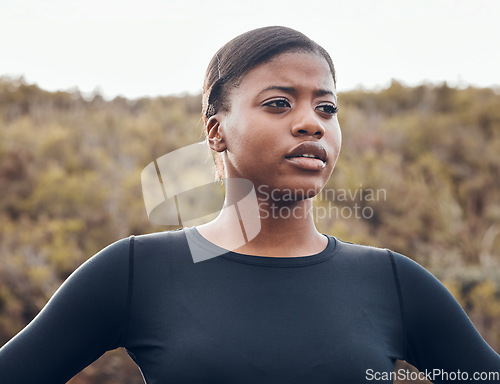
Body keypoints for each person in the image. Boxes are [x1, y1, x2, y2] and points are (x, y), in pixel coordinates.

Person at [0, 25, 499, 384]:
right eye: (279, 103)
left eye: (326, 107)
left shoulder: (392, 282)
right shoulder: (136, 271)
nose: (312, 123)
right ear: (216, 131)